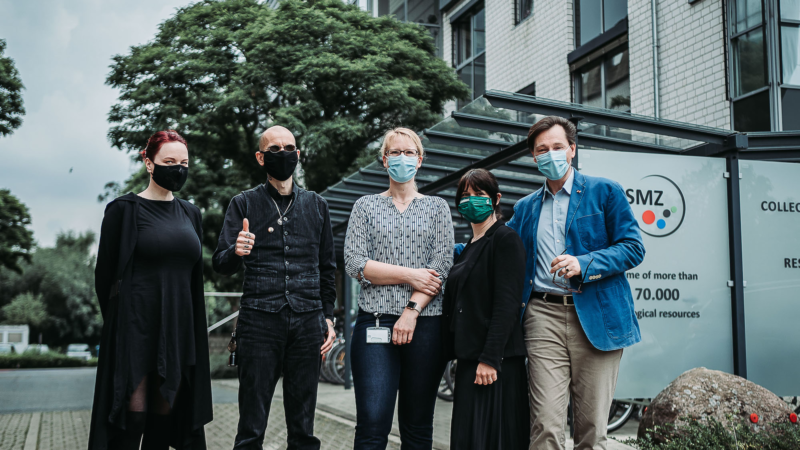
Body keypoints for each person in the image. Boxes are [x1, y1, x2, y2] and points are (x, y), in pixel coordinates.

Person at [506, 116, 645, 450]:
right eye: (542, 149)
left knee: (592, 428)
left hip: (597, 314)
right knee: (545, 423)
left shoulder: (604, 191)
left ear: (572, 149)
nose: (550, 154)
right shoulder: (525, 208)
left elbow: (633, 248)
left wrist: (584, 263)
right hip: (542, 317)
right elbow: (497, 249)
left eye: (557, 147)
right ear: (534, 156)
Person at [212, 125, 336, 450]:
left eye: (290, 147)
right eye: (275, 149)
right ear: (260, 157)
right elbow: (220, 263)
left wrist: (328, 317)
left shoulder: (317, 205)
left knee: (303, 428)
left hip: (308, 320)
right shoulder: (243, 204)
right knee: (251, 427)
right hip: (259, 321)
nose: (284, 154)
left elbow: (327, 267)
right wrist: (236, 250)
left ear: (299, 153)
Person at [89, 130, 212, 450]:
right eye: (169, 161)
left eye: (184, 163)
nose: (178, 169)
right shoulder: (123, 210)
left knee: (166, 417)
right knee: (133, 418)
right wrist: (120, 326)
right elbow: (104, 277)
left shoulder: (191, 213)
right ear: (149, 162)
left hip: (178, 329)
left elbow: (194, 276)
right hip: (135, 330)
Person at [344, 127, 454, 449]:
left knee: (418, 424)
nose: (402, 158)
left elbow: (441, 267)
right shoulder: (364, 206)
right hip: (374, 323)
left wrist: (411, 311)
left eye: (409, 153)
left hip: (427, 323)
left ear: (419, 161)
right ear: (384, 159)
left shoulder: (437, 208)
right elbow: (355, 263)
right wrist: (410, 275)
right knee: (372, 422)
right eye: (395, 152)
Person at [443, 169, 530, 450]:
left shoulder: (505, 239)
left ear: (496, 199)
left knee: (492, 440)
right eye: (465, 196)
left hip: (494, 363)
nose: (471, 201)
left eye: (479, 194)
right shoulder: (468, 247)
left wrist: (490, 358)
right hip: (470, 360)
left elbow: (507, 304)